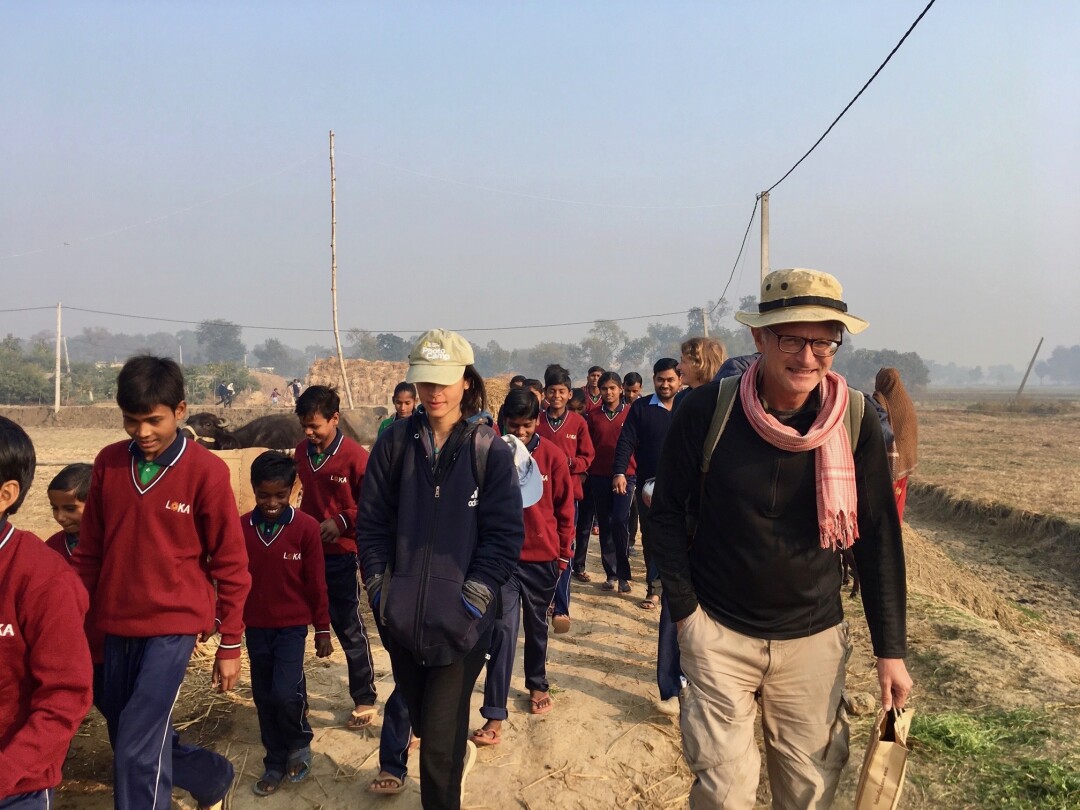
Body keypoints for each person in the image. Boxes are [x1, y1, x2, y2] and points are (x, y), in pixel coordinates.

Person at [649, 268, 912, 808]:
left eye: (824, 341)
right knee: (723, 795)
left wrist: (891, 651)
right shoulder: (708, 411)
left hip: (813, 641)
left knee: (808, 794)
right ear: (760, 337)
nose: (808, 356)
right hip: (718, 633)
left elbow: (878, 538)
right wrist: (686, 617)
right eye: (792, 338)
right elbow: (667, 513)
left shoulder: (855, 420)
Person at [73, 355, 251, 810]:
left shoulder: (206, 472)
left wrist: (230, 642)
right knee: (130, 731)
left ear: (181, 410)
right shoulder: (109, 463)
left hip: (171, 631)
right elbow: (89, 552)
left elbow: (230, 562)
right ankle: (212, 776)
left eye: (153, 420)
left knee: (136, 745)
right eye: (132, 422)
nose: (143, 433)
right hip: (113, 624)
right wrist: (73, 617)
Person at [357, 328, 524, 809]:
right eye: (425, 382)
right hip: (403, 620)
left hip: (463, 625)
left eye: (443, 382)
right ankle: (452, 759)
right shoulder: (393, 446)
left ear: (465, 382)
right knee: (430, 724)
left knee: (436, 743)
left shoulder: (488, 450)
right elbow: (371, 526)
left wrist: (472, 599)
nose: (433, 393)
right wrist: (379, 591)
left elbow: (504, 537)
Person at [0, 417, 94, 810]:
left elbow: (66, 695)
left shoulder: (42, 578)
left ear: (6, 494)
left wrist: (6, 770)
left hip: (16, 783)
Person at [471, 389, 574, 746]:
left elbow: (565, 510)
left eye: (527, 425)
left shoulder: (554, 458)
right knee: (501, 631)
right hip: (505, 561)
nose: (521, 432)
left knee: (537, 626)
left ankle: (536, 683)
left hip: (544, 561)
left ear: (537, 421)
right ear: (503, 424)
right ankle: (494, 714)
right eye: (514, 426)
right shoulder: (492, 457)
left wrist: (563, 555)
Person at [241, 451, 333, 796]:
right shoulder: (241, 529)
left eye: (280, 495)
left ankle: (299, 742)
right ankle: (275, 760)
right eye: (264, 495)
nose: (271, 502)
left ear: (294, 490)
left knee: (285, 692)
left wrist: (322, 629)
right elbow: (232, 580)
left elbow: (316, 583)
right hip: (256, 627)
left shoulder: (306, 528)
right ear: (253, 489)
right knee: (264, 696)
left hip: (293, 627)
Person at [293, 385, 378, 729]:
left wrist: (342, 521)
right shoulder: (300, 453)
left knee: (348, 626)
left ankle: (364, 697)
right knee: (294, 627)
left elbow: (374, 505)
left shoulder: (356, 457)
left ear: (335, 419)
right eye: (305, 427)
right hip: (303, 555)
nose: (310, 433)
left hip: (341, 555)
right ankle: (296, 701)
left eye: (315, 426)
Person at [612, 358, 681, 610]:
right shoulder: (641, 408)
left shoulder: (689, 405)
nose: (665, 384)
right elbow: (626, 441)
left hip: (685, 487)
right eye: (660, 379)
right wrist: (619, 471)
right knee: (651, 537)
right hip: (649, 486)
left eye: (670, 379)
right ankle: (654, 589)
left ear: (679, 380)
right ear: (653, 379)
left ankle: (679, 588)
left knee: (682, 537)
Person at [538, 365, 595, 634]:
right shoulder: (537, 421)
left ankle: (562, 607)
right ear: (545, 393)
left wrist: (569, 463)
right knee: (539, 550)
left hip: (568, 496)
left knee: (564, 550)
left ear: (569, 394)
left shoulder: (578, 423)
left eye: (562, 391)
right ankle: (543, 602)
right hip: (538, 498)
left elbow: (588, 457)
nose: (557, 395)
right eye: (552, 391)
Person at [44, 463, 105, 710]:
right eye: (55, 509)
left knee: (122, 719)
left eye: (70, 509)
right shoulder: (51, 549)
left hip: (108, 651)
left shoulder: (113, 545)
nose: (60, 517)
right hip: (70, 652)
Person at [579, 372, 636, 593]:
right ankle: (611, 573)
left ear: (621, 389)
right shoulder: (592, 416)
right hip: (599, 475)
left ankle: (624, 573)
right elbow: (588, 446)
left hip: (626, 475)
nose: (608, 392)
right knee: (605, 524)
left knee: (620, 521)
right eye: (604, 389)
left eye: (612, 388)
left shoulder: (631, 414)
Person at [873, 368, 918, 520]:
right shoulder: (907, 402)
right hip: (904, 463)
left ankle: (886, 531)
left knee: (884, 503)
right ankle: (895, 529)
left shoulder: (879, 400)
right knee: (897, 500)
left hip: (888, 464)